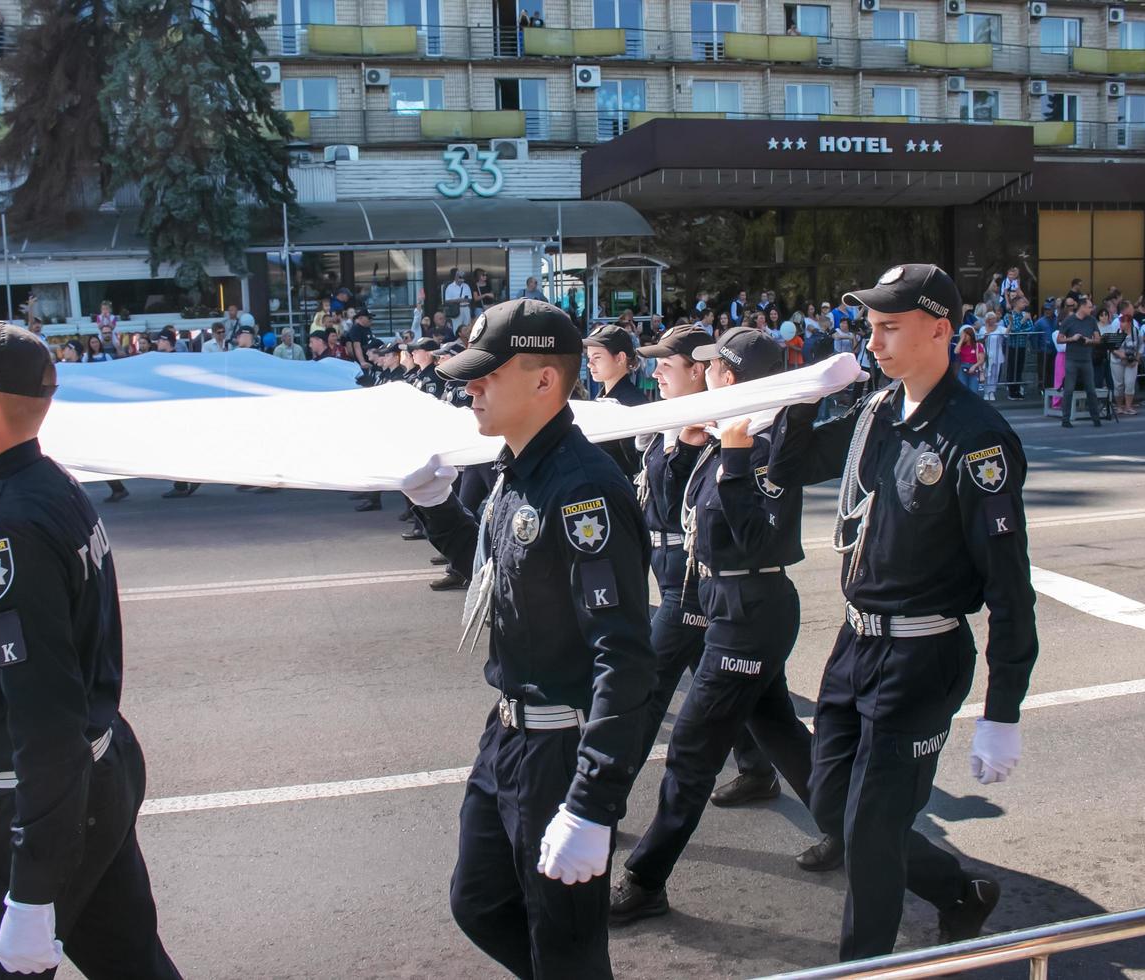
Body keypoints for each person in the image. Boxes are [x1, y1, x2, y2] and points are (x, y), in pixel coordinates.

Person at [764, 264, 1037, 961]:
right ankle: (957, 894)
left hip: (922, 658)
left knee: (872, 836)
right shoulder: (878, 413)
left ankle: (867, 970)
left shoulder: (975, 440)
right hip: (856, 650)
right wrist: (802, 396)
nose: (873, 340)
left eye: (890, 326)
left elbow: (1010, 590)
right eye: (871, 326)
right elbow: (793, 466)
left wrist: (1002, 709)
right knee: (831, 808)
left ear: (940, 330)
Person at [0, 321, 182, 979]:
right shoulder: (44, 487)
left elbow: (42, 713)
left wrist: (28, 890)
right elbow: (16, 614)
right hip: (94, 769)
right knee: (130, 963)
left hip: (34, 799)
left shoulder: (6, 525)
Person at [404, 298, 655, 979]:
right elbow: (499, 580)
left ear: (546, 381)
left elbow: (625, 659)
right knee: (479, 902)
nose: (470, 386)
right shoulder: (519, 470)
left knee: (567, 947)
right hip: (508, 736)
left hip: (560, 751)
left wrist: (594, 804)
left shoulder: (581, 491)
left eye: (488, 374)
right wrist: (437, 512)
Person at [610, 325, 832, 927]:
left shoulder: (764, 444)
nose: (699, 374)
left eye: (710, 368)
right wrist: (689, 447)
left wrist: (732, 456)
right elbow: (684, 510)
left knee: (690, 750)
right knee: (777, 727)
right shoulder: (725, 435)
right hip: (723, 602)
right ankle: (848, 828)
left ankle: (646, 876)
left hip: (751, 608)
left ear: (728, 379)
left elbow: (751, 535)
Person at [583, 324, 648, 478]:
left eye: (597, 357)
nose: (589, 363)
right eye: (589, 357)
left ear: (620, 358)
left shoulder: (633, 404)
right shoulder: (603, 398)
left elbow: (637, 464)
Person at [1056, 297, 1102, 428]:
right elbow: (1059, 339)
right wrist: (1073, 338)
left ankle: (1096, 418)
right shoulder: (1069, 320)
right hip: (1072, 359)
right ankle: (1065, 419)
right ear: (1082, 307)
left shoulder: (1091, 320)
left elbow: (1098, 339)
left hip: (1086, 358)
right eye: (1089, 307)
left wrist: (1089, 341)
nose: (1091, 309)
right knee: (1069, 389)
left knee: (1091, 389)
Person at [954, 326, 984, 396]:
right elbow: (956, 351)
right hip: (963, 368)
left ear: (970, 335)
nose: (964, 336)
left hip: (974, 368)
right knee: (963, 390)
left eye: (965, 335)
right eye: (962, 335)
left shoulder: (978, 345)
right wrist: (961, 340)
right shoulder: (961, 345)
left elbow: (981, 360)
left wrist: (974, 366)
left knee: (973, 390)